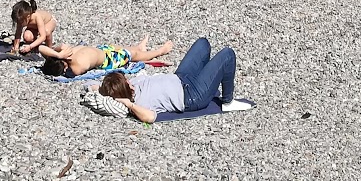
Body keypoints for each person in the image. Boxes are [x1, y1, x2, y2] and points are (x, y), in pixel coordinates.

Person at [97, 36, 250, 122]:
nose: (129, 80)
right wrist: (127, 103)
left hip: (181, 77)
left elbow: (92, 86)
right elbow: (150, 118)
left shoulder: (132, 84)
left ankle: (209, 79)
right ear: (124, 89)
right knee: (227, 55)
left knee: (203, 43)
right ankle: (228, 102)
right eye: (126, 82)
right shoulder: (139, 103)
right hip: (192, 96)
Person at [38, 36, 171, 79]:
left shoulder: (63, 53)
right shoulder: (76, 65)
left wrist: (58, 54)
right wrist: (60, 55)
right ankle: (160, 51)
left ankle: (139, 47)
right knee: (132, 56)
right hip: (108, 60)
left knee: (119, 48)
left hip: (101, 50)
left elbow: (41, 48)